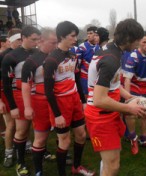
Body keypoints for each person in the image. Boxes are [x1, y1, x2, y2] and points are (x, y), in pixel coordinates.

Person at [84, 18, 146, 176]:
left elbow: (113, 84)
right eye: (138, 40)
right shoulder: (111, 59)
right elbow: (99, 99)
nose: (139, 44)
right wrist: (129, 108)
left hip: (108, 113)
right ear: (128, 39)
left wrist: (130, 96)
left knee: (111, 160)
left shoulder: (112, 50)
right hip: (100, 117)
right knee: (113, 167)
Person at [43, 21, 95, 176]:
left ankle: (76, 166)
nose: (75, 39)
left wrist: (83, 101)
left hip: (74, 101)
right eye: (72, 36)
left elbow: (76, 79)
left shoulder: (73, 55)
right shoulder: (51, 60)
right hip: (60, 103)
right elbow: (48, 91)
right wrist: (57, 114)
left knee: (81, 135)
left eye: (75, 36)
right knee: (64, 141)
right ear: (61, 37)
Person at [2, 26, 41, 176]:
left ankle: (40, 151)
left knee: (39, 127)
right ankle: (20, 162)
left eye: (38, 39)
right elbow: (6, 84)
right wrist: (12, 106)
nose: (36, 43)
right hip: (19, 97)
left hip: (37, 95)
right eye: (33, 40)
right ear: (23, 38)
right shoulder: (10, 57)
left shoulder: (38, 53)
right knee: (22, 130)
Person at [21, 28, 58, 175]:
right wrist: (27, 107)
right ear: (41, 41)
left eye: (57, 43)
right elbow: (25, 85)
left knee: (61, 133)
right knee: (40, 137)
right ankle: (38, 171)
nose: (55, 46)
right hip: (40, 102)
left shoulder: (58, 56)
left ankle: (63, 156)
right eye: (53, 43)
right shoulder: (32, 61)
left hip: (58, 101)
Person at [122, 31, 146, 155]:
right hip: (134, 89)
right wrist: (128, 98)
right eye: (144, 42)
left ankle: (144, 140)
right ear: (139, 42)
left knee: (145, 114)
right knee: (130, 115)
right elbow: (127, 78)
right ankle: (133, 139)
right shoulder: (133, 56)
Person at [0, 28, 22, 168]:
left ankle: (24, 144)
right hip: (6, 93)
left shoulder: (24, 54)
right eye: (18, 40)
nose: (20, 43)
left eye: (21, 39)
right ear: (10, 41)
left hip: (20, 93)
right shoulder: (3, 56)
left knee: (22, 123)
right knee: (11, 125)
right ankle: (8, 153)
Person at [77, 26, 100, 98]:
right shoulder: (82, 47)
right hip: (84, 79)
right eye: (88, 33)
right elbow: (77, 66)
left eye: (91, 33)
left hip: (96, 79)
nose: (88, 35)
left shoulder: (99, 47)